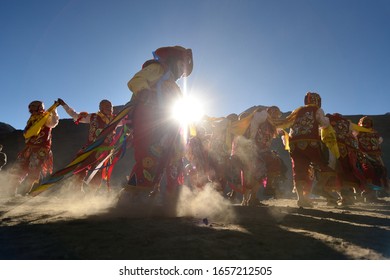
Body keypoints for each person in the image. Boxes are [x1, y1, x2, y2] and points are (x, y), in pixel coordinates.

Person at [120, 46, 193, 208]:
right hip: (149, 118)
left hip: (169, 125)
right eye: (181, 66)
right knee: (149, 156)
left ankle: (161, 197)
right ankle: (131, 198)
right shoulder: (158, 69)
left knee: (170, 158)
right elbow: (136, 80)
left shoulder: (175, 86)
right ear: (174, 61)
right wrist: (144, 93)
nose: (182, 72)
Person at [275, 92, 338, 207]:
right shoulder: (317, 110)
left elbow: (286, 124)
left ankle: (301, 199)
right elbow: (323, 123)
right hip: (311, 143)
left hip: (295, 145)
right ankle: (320, 187)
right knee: (327, 163)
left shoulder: (297, 111)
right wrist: (328, 123)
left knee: (299, 170)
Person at [58, 98, 123, 193]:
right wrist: (64, 105)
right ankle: (77, 190)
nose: (109, 108)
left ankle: (91, 195)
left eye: (110, 106)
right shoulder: (93, 117)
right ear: (100, 108)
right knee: (81, 167)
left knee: (98, 172)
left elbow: (129, 121)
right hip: (90, 148)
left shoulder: (116, 119)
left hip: (104, 150)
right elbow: (75, 115)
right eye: (106, 106)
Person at [10, 100, 59, 195]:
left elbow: (54, 122)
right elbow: (27, 133)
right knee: (20, 168)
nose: (32, 112)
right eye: (31, 110)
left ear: (40, 108)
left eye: (34, 109)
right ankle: (12, 191)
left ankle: (27, 192)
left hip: (41, 149)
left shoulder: (46, 118)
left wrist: (54, 110)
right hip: (29, 147)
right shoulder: (32, 119)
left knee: (34, 169)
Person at [355, 116, 389, 199]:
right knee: (368, 172)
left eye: (369, 122)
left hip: (375, 156)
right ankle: (366, 194)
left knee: (379, 172)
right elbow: (355, 143)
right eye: (364, 122)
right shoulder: (357, 132)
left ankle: (373, 195)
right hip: (363, 155)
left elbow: (377, 143)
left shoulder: (374, 132)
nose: (366, 123)